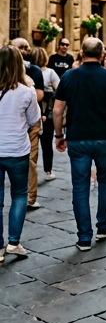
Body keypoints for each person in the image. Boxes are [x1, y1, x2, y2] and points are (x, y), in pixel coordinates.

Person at [53, 38, 106, 251]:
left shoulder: (69, 76)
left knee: (80, 186)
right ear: (101, 53)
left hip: (77, 137)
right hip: (104, 137)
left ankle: (84, 237)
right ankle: (104, 226)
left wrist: (59, 134)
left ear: (81, 52)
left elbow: (57, 111)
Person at [0, 46, 39, 262]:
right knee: (19, 195)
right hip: (17, 150)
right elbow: (34, 120)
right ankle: (13, 243)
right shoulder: (26, 92)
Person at [11, 39, 44, 210]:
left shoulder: (34, 71)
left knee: (31, 161)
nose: (25, 50)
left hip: (30, 124)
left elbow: (39, 96)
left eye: (26, 47)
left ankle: (31, 198)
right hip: (12, 124)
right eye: (20, 48)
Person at [32, 47, 57, 183]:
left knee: (30, 145)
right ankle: (48, 170)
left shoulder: (27, 72)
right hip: (47, 113)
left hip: (31, 113)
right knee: (47, 144)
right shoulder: (50, 72)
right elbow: (59, 88)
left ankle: (31, 171)